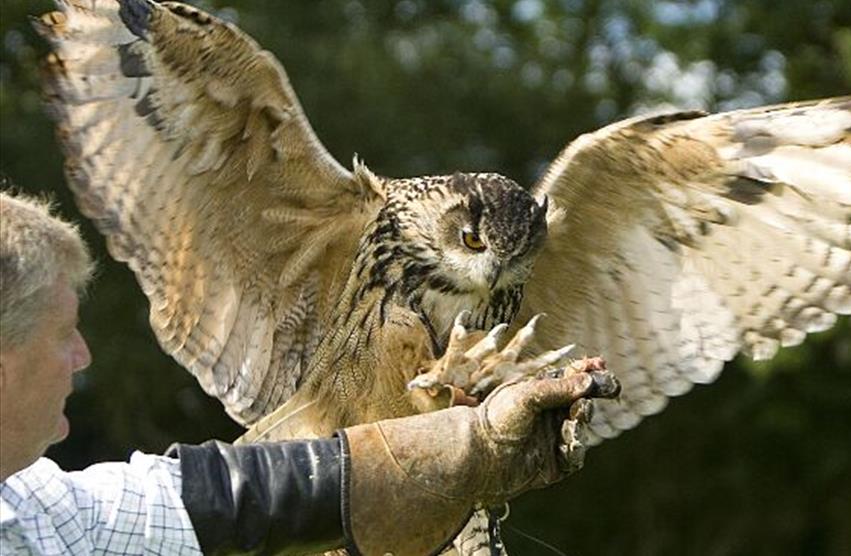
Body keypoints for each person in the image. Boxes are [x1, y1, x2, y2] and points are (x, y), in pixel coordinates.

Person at [0, 190, 618, 555]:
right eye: (62, 334)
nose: (82, 356)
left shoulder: (30, 509)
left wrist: (455, 449)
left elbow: (189, 505)